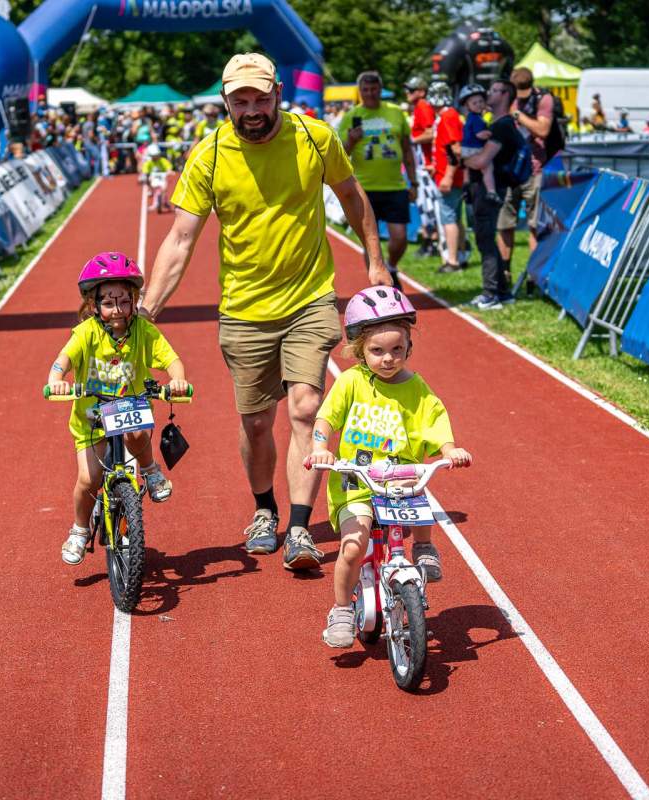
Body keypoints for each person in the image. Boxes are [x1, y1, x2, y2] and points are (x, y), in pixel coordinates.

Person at [140, 52, 392, 571]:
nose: (252, 110)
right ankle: (264, 510)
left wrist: (376, 261)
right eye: (240, 101)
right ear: (225, 102)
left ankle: (299, 527)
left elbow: (351, 194)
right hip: (244, 309)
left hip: (309, 297)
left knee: (305, 407)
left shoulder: (314, 138)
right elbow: (181, 239)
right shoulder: (210, 155)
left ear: (278, 92)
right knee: (256, 423)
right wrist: (147, 312)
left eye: (260, 98)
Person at [306, 286, 472, 648]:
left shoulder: (417, 388)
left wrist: (450, 449)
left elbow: (435, 422)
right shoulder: (351, 382)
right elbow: (326, 419)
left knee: (419, 496)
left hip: (399, 480)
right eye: (377, 351)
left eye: (397, 349)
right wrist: (320, 447)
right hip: (357, 483)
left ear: (408, 347)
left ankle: (424, 547)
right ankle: (341, 609)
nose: (388, 359)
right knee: (353, 546)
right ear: (359, 350)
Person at [46, 252, 188, 566]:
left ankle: (150, 471)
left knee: (137, 434)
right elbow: (62, 361)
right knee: (89, 479)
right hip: (91, 419)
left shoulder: (143, 331)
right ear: (93, 305)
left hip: (129, 408)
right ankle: (79, 529)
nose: (118, 309)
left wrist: (177, 379)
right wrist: (56, 380)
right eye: (109, 303)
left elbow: (171, 359)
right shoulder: (86, 333)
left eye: (125, 301)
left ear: (134, 300)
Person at [339, 70, 418, 291]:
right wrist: (351, 141)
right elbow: (340, 154)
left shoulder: (395, 113)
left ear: (380, 90)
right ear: (360, 91)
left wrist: (414, 182)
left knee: (400, 237)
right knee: (370, 240)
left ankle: (391, 266)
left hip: (395, 185)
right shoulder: (351, 116)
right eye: (365, 90)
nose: (370, 93)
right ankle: (378, 285)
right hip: (365, 188)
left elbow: (407, 149)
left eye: (374, 89)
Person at [463, 79, 523, 310]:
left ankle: (490, 294)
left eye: (495, 90)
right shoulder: (495, 123)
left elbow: (481, 161)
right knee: (486, 238)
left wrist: (463, 158)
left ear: (505, 95)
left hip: (490, 191)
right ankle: (503, 292)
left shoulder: (501, 126)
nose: (489, 93)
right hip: (488, 188)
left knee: (485, 239)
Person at [497, 67, 555, 293]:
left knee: (534, 226)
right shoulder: (504, 97)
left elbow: (543, 130)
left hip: (534, 170)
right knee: (504, 225)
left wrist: (517, 115)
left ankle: (533, 278)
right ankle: (504, 274)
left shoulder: (543, 99)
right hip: (507, 171)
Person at [428, 81, 467, 274]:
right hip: (446, 174)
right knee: (455, 217)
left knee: (449, 218)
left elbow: (455, 149)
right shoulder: (448, 116)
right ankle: (461, 255)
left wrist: (448, 176)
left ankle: (453, 260)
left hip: (448, 177)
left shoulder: (448, 116)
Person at [404, 76, 438, 259]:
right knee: (424, 204)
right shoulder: (419, 107)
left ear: (421, 92)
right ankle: (429, 241)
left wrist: (410, 140)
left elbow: (431, 132)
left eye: (411, 90)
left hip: (426, 163)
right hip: (422, 163)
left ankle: (432, 243)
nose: (407, 93)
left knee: (428, 205)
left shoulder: (423, 106)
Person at [459, 84, 499, 204]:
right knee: (487, 168)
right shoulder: (477, 119)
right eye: (474, 103)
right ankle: (491, 191)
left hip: (465, 149)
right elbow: (479, 135)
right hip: (475, 148)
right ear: (467, 106)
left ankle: (466, 186)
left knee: (467, 168)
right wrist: (491, 133)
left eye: (481, 101)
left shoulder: (470, 117)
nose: (479, 105)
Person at [141, 143, 173, 212]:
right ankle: (155, 202)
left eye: (156, 155)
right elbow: (145, 170)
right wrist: (146, 174)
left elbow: (168, 167)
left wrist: (169, 171)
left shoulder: (163, 160)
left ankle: (164, 201)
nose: (155, 157)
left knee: (164, 189)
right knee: (154, 188)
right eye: (154, 156)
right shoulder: (149, 162)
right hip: (153, 178)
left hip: (162, 178)